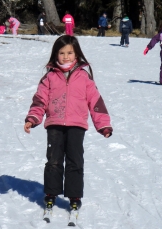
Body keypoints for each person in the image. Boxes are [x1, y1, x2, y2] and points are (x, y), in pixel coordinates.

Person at [24, 35, 113, 212]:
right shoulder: (50, 77)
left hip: (76, 125)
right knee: (54, 161)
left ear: (77, 54)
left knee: (75, 161)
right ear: (55, 54)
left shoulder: (84, 77)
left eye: (70, 53)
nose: (66, 57)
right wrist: (33, 118)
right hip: (55, 124)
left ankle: (74, 196)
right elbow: (40, 100)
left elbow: (95, 102)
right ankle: (51, 193)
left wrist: (103, 124)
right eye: (62, 53)